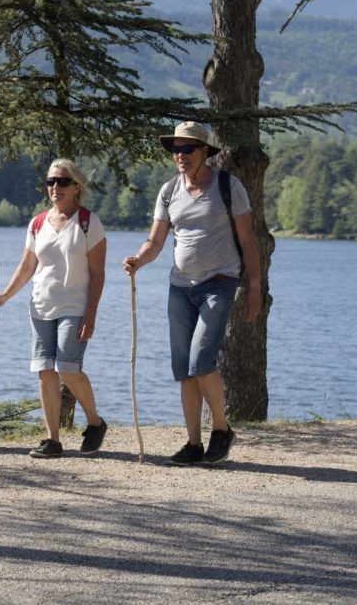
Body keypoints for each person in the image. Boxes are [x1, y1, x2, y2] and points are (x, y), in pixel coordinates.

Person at [122, 121, 262, 466]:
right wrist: (139, 259)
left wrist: (255, 287)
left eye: (188, 149)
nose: (180, 155)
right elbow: (155, 241)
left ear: (204, 152)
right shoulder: (169, 191)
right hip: (180, 287)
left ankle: (221, 430)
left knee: (202, 361)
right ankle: (193, 443)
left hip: (219, 283)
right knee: (185, 369)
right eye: (175, 149)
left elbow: (247, 240)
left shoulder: (229, 187)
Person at [0, 158, 109, 459]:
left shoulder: (88, 223)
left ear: (76, 186)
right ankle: (52, 440)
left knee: (67, 368)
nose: (55, 187)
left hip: (75, 306)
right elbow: (28, 266)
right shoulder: (38, 223)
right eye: (51, 182)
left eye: (62, 182)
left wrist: (91, 314)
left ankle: (95, 422)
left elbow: (98, 274)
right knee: (45, 372)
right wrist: (4, 296)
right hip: (40, 307)